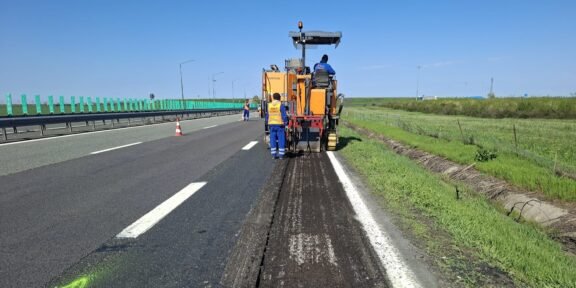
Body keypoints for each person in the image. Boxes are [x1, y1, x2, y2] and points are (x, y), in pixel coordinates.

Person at [266, 93, 288, 159]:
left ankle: (273, 155)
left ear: (273, 98)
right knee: (281, 139)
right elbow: (284, 115)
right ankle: (281, 155)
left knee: (272, 139)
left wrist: (268, 122)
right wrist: (286, 122)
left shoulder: (269, 105)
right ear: (279, 98)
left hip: (271, 125)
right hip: (279, 125)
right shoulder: (281, 105)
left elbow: (267, 115)